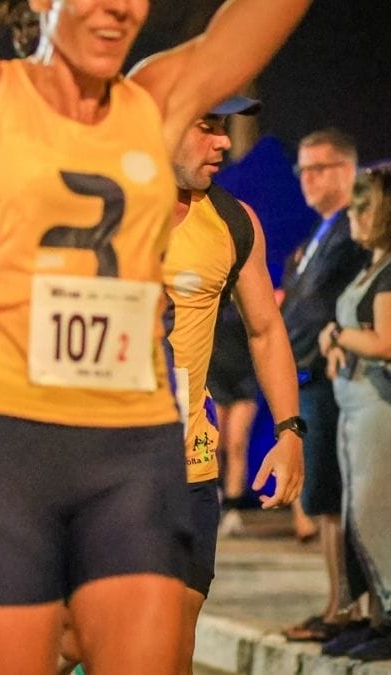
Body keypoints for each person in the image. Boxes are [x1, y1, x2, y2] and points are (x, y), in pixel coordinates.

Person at [0, 0, 310, 672]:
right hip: (6, 441)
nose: (117, 9)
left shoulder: (160, 102)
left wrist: (289, 426)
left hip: (130, 445)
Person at [161, 96, 303, 673]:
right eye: (207, 127)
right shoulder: (98, 209)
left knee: (174, 637)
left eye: (224, 128)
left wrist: (290, 432)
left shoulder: (233, 222)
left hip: (188, 464)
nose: (222, 142)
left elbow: (266, 330)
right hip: (99, 465)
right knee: (74, 640)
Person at [280, 128, 371, 643]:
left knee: (334, 495)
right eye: (303, 169)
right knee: (323, 497)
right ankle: (338, 604)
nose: (308, 179)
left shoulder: (354, 233)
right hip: (309, 377)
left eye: (320, 168)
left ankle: (349, 608)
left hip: (334, 378)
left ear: (348, 171)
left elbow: (330, 307)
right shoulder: (321, 233)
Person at [316, 166, 391, 661]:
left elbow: (385, 342)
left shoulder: (388, 272)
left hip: (378, 411)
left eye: (363, 207)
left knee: (375, 513)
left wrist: (339, 335)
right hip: (355, 410)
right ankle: (376, 619)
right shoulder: (372, 266)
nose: (353, 216)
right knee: (359, 516)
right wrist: (336, 340)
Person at [208, 298, 260, 537]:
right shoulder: (210, 295)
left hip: (243, 377)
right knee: (214, 444)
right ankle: (216, 497)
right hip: (215, 376)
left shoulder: (248, 298)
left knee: (237, 444)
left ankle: (233, 508)